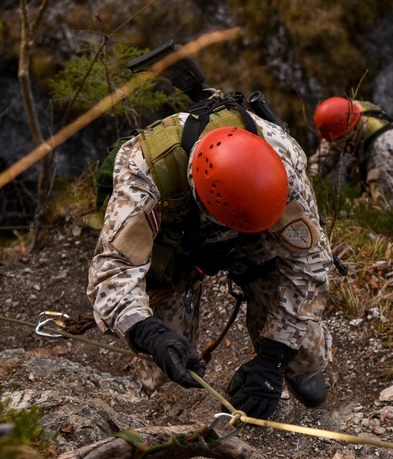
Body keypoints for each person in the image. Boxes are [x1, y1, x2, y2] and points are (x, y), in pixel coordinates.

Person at [87, 91, 333, 420]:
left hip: (255, 240)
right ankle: (166, 404)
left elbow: (310, 265)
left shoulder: (283, 164)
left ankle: (300, 368)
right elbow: (114, 271)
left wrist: (273, 360)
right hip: (176, 247)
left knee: (301, 349)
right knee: (169, 361)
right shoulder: (144, 171)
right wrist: (149, 332)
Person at [309, 96, 393, 208]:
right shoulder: (347, 112)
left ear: (348, 133)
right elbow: (328, 149)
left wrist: (340, 204)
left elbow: (386, 207)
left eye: (337, 141)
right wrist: (311, 178)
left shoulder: (387, 149)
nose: (333, 145)